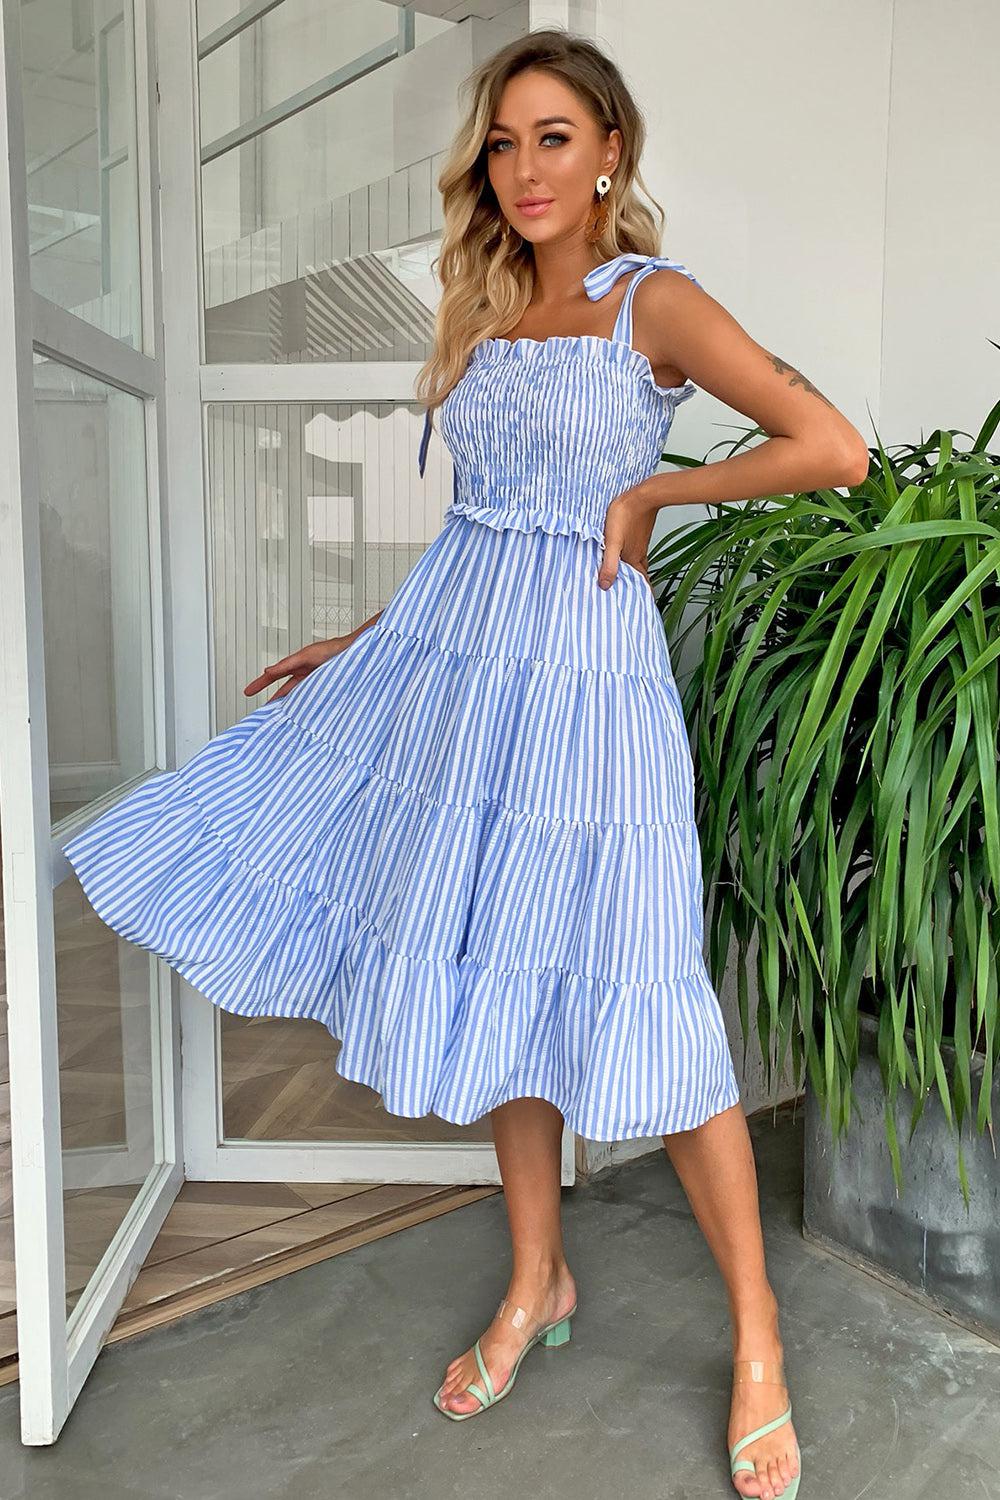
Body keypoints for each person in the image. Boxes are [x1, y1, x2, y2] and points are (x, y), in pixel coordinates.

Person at [64, 27, 867, 1500]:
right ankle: (536, 1281)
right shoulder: (485, 315)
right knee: (502, 974)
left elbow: (833, 447)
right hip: (455, 675)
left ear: (611, 149)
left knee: (645, 992)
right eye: (503, 143)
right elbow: (473, 535)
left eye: (552, 136)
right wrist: (358, 644)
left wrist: (658, 485)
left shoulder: (654, 303)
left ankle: (755, 1336)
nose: (523, 167)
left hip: (590, 696)